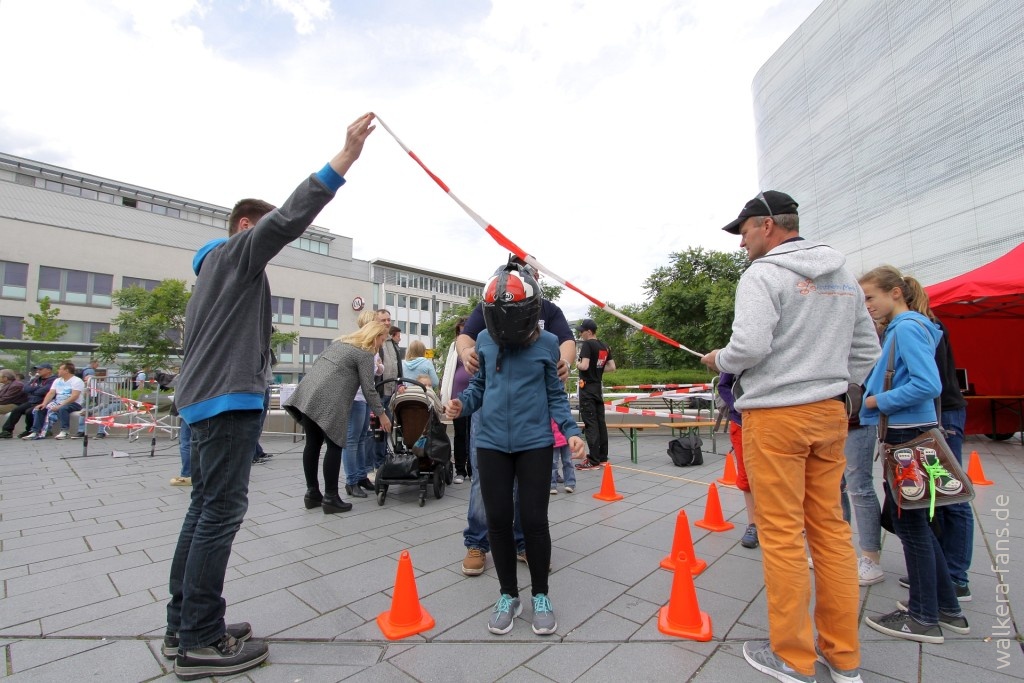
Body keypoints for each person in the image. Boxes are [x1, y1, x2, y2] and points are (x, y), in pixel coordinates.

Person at [164, 113, 377, 680]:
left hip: (205, 401)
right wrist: (346, 158)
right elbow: (287, 219)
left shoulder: (211, 276)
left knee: (203, 509)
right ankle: (201, 641)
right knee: (220, 513)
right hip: (226, 402)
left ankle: (183, 623)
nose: (268, 246)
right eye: (257, 234)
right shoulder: (234, 256)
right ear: (242, 227)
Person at [701, 190, 879, 683]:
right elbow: (867, 349)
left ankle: (794, 659)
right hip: (828, 414)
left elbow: (751, 346)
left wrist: (721, 359)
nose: (741, 244)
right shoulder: (842, 275)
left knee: (781, 536)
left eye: (742, 232)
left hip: (775, 418)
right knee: (831, 532)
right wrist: (841, 391)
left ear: (764, 226)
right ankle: (844, 659)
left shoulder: (763, 275)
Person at [444, 260, 585, 636]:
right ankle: (508, 594)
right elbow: (478, 389)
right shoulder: (486, 342)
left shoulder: (548, 344)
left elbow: (556, 396)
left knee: (535, 522)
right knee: (498, 521)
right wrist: (461, 404)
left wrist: (571, 431)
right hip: (490, 444)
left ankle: (541, 594)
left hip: (535, 444)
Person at [859, 266, 970, 644]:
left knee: (912, 528)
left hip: (907, 436)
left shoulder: (905, 327)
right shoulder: (912, 326)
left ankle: (923, 616)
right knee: (918, 526)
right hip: (912, 431)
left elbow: (927, 383)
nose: (867, 306)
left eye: (871, 297)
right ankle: (946, 608)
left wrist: (875, 400)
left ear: (895, 293)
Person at [898, 296, 974, 602]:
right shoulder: (926, 327)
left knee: (950, 496)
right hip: (940, 414)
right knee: (935, 497)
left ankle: (956, 576)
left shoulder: (918, 328)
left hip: (942, 414)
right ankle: (944, 571)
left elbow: (929, 383)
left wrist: (879, 402)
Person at [284, 321, 392, 510]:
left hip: (308, 394)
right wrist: (382, 414)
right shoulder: (365, 353)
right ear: (374, 337)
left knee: (312, 444)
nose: (381, 345)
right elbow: (369, 388)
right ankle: (330, 497)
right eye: (381, 340)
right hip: (330, 401)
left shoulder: (340, 343)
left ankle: (312, 494)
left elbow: (317, 364)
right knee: (335, 445)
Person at [339, 309, 384, 499]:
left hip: (365, 398)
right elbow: (366, 379)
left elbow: (376, 371)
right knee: (352, 439)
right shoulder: (360, 346)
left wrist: (379, 366)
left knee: (362, 438)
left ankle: (360, 475)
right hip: (356, 397)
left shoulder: (371, 347)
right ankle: (351, 481)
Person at [718, 372, 758, 549]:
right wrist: (736, 407)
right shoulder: (741, 347)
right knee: (746, 476)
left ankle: (790, 523)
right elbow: (723, 384)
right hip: (743, 423)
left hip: (779, 421)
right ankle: (753, 525)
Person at [574, 318, 616, 470]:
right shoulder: (604, 346)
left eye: (581, 331)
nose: (580, 334)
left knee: (590, 424)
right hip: (598, 388)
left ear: (589, 332)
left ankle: (593, 460)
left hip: (587, 389)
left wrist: (577, 364)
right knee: (600, 423)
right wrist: (597, 369)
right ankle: (602, 457)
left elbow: (584, 366)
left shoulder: (587, 345)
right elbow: (612, 367)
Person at [440, 317, 472, 482]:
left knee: (474, 433)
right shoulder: (454, 347)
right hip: (457, 394)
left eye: (465, 329)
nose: (462, 333)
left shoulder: (477, 345)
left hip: (475, 396)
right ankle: (460, 470)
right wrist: (444, 396)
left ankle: (472, 469)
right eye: (460, 330)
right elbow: (448, 371)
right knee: (460, 433)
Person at [26, 361, 84, 440]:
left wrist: (60, 405)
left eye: (60, 369)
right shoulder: (57, 380)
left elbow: (74, 396)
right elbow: (51, 393)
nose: (58, 371)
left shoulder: (77, 381)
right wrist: (44, 404)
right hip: (57, 402)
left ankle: (64, 430)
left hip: (74, 403)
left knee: (63, 408)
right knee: (40, 409)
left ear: (66, 371)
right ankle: (35, 431)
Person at [373, 315, 401, 469]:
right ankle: (377, 462)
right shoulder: (376, 340)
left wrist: (400, 382)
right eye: (383, 320)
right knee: (377, 430)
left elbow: (397, 365)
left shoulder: (391, 342)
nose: (387, 322)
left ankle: (383, 458)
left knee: (387, 429)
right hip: (379, 391)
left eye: (389, 319)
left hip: (390, 391)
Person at [1, 364, 56, 438]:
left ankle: (29, 430)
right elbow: (25, 389)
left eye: (40, 369)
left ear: (49, 370)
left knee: (29, 412)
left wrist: (33, 390)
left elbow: (43, 391)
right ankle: (7, 431)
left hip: (42, 402)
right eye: (37, 369)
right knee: (17, 410)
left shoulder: (53, 380)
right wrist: (36, 389)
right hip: (31, 401)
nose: (38, 371)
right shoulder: (36, 379)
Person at [549, 419, 575, 494]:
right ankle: (552, 485)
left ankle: (570, 483)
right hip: (554, 439)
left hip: (565, 438)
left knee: (568, 461)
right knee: (553, 463)